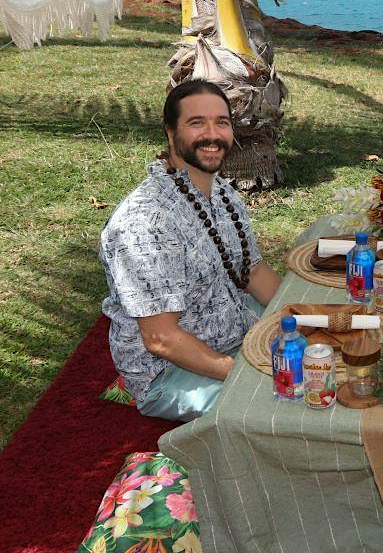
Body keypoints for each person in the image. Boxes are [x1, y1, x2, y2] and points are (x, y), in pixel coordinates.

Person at [100, 79, 282, 421]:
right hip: (170, 372)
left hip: (236, 328)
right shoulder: (146, 222)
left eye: (221, 122)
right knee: (287, 403)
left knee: (325, 344)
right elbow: (161, 339)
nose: (212, 135)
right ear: (170, 133)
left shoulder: (222, 192)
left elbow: (253, 272)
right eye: (197, 123)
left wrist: (300, 317)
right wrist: (250, 373)